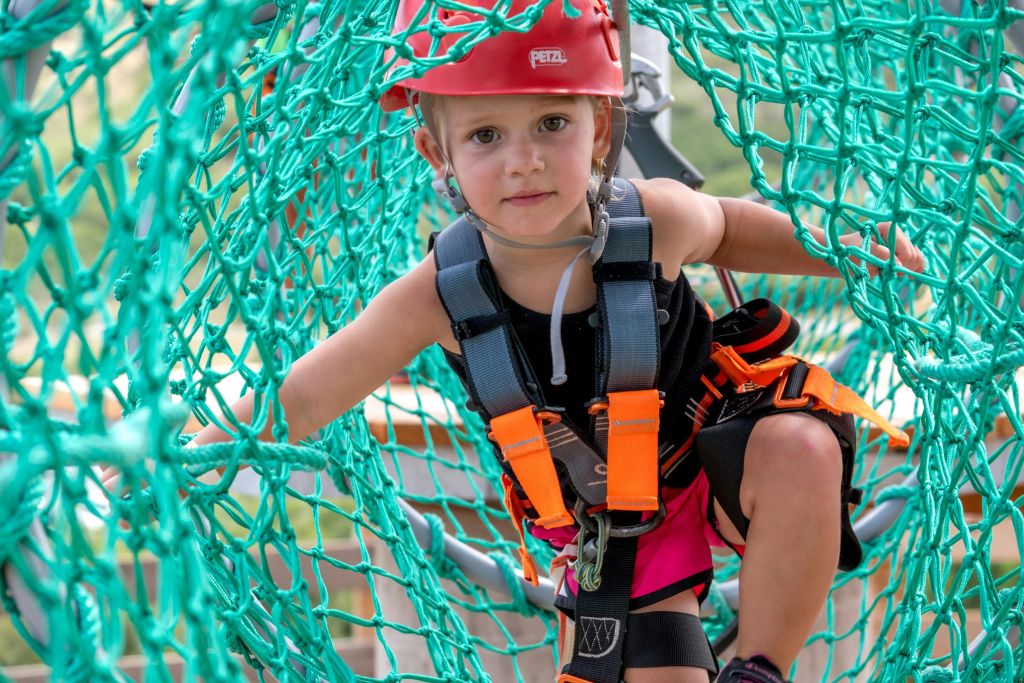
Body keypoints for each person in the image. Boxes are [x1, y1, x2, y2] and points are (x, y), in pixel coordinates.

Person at [105, 1, 925, 681]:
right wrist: (194, 451)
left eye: (551, 122)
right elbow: (312, 390)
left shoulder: (652, 218)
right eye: (486, 136)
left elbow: (735, 227)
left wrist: (845, 249)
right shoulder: (437, 292)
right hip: (617, 520)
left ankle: (760, 667)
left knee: (803, 443)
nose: (523, 161)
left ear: (599, 130)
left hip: (718, 453)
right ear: (438, 152)